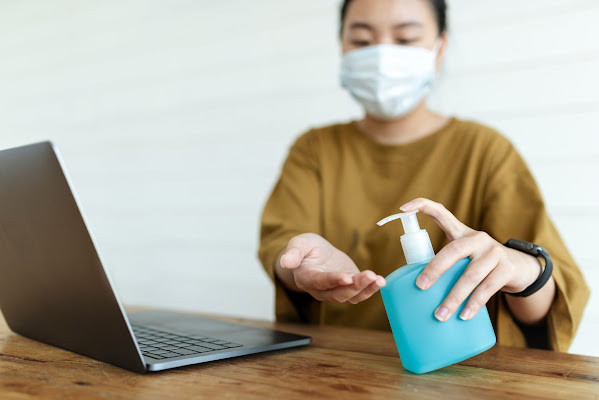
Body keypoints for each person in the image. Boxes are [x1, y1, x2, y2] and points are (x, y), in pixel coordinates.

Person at [258, 0, 590, 351]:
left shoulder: (485, 151)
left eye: (405, 39)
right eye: (361, 40)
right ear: (341, 45)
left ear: (439, 47)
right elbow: (281, 247)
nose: (383, 56)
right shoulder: (313, 150)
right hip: (338, 367)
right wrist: (298, 266)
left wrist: (520, 271)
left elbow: (548, 311)